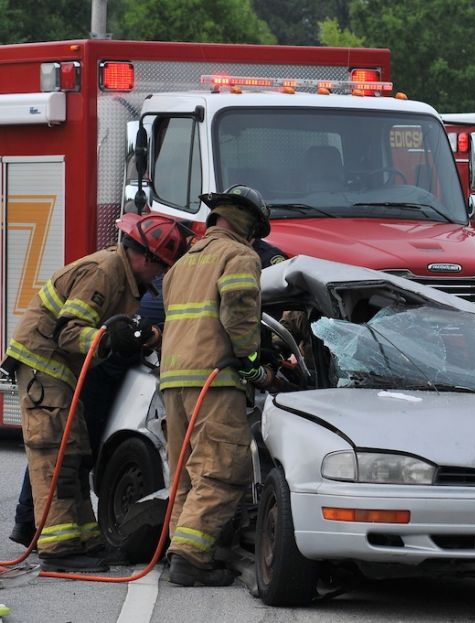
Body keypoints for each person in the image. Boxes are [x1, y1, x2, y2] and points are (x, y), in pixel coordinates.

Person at [1, 212, 186, 572]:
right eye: (159, 266)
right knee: (55, 452)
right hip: (44, 365)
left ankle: (82, 538)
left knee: (75, 452)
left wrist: (134, 337)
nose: (159, 275)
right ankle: (57, 549)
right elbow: (68, 332)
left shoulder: (125, 276)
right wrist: (106, 339)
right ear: (142, 257)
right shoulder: (105, 271)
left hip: (61, 371)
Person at [160, 185, 276, 587]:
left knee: (186, 474)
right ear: (248, 224)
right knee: (225, 469)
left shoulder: (181, 264)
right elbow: (240, 312)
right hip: (215, 378)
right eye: (255, 233)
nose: (254, 242)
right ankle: (191, 558)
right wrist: (252, 365)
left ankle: (180, 550)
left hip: (173, 379)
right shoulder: (239, 256)